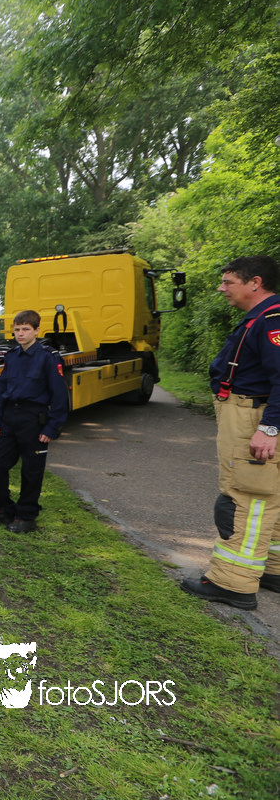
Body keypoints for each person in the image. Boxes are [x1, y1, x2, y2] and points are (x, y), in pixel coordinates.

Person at [182, 255, 280, 611]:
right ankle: (271, 568)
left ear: (255, 283)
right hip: (253, 414)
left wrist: (268, 428)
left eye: (228, 282)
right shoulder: (264, 317)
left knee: (245, 496)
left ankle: (232, 582)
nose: (221, 288)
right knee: (270, 496)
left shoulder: (270, 320)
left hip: (252, 418)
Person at [0, 309, 69, 534]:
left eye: (26, 329)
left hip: (33, 420)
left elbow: (60, 396)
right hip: (9, 418)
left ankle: (26, 516)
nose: (20, 333)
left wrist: (52, 427)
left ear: (37, 330)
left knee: (31, 471)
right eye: (17, 329)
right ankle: (4, 509)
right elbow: (3, 391)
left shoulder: (48, 357)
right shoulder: (11, 356)